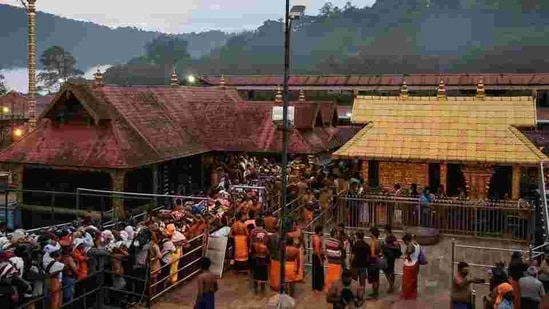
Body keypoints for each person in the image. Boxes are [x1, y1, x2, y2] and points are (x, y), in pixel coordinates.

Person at [324, 228, 345, 293]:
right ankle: (336, 291)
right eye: (338, 233)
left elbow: (326, 251)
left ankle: (328, 290)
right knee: (337, 278)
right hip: (337, 262)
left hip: (330, 261)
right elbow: (343, 250)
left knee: (329, 276)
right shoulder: (338, 242)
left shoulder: (327, 241)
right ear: (335, 233)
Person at [382, 224, 401, 293]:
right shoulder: (388, 236)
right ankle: (391, 284)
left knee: (389, 270)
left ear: (387, 229)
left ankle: (391, 285)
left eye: (384, 229)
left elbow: (396, 245)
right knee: (388, 269)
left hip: (390, 256)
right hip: (388, 255)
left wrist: (386, 246)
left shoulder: (391, 236)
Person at [402, 233, 420, 300]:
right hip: (416, 263)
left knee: (408, 282)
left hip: (410, 266)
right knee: (414, 280)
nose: (405, 244)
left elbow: (409, 252)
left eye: (404, 242)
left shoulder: (410, 245)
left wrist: (407, 257)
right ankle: (413, 294)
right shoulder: (416, 244)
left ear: (406, 240)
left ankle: (408, 295)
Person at [368, 227, 381, 298]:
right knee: (377, 277)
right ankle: (376, 292)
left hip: (373, 261)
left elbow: (372, 254)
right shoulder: (378, 241)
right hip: (377, 260)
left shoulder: (373, 242)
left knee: (373, 278)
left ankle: (374, 293)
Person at [312, 225, 325, 293]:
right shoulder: (317, 238)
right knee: (316, 273)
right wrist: (320, 260)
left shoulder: (317, 237)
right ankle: (316, 288)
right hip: (317, 257)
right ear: (320, 231)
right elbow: (317, 250)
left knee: (319, 272)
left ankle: (318, 286)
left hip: (318, 256)